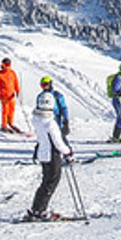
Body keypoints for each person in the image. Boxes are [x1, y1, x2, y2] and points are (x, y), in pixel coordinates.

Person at [25, 89, 73, 222]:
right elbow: (58, 142)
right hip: (52, 155)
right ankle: (40, 210)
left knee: (46, 182)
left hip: (43, 154)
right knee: (51, 182)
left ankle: (36, 208)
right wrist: (68, 151)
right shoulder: (51, 123)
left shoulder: (37, 120)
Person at [0, 57, 22, 133]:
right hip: (4, 96)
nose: (7, 66)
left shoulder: (12, 73)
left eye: (8, 64)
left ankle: (10, 123)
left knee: (12, 110)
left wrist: (18, 92)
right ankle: (4, 125)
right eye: (5, 64)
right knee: (5, 111)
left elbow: (16, 83)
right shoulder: (0, 74)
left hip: (11, 95)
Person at [38, 76, 71, 140]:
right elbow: (38, 108)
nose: (44, 87)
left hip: (56, 120)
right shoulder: (40, 96)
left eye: (45, 84)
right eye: (42, 85)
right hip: (45, 120)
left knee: (59, 139)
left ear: (50, 84)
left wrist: (66, 121)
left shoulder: (57, 95)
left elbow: (63, 108)